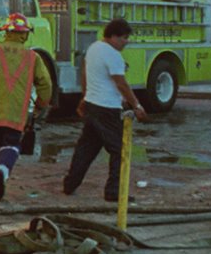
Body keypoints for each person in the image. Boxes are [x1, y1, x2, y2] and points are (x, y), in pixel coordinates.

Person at [0, 13, 53, 200]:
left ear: (6, 31)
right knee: (12, 145)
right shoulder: (33, 57)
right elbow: (46, 84)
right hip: (17, 112)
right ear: (24, 35)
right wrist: (41, 104)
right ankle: (2, 171)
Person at [62, 17, 147, 201]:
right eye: (124, 38)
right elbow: (122, 83)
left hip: (93, 105)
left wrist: (85, 96)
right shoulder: (113, 55)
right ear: (114, 36)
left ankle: (70, 184)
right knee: (119, 150)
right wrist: (137, 105)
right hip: (107, 109)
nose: (127, 42)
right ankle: (114, 192)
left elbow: (84, 72)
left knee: (87, 149)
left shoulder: (94, 49)